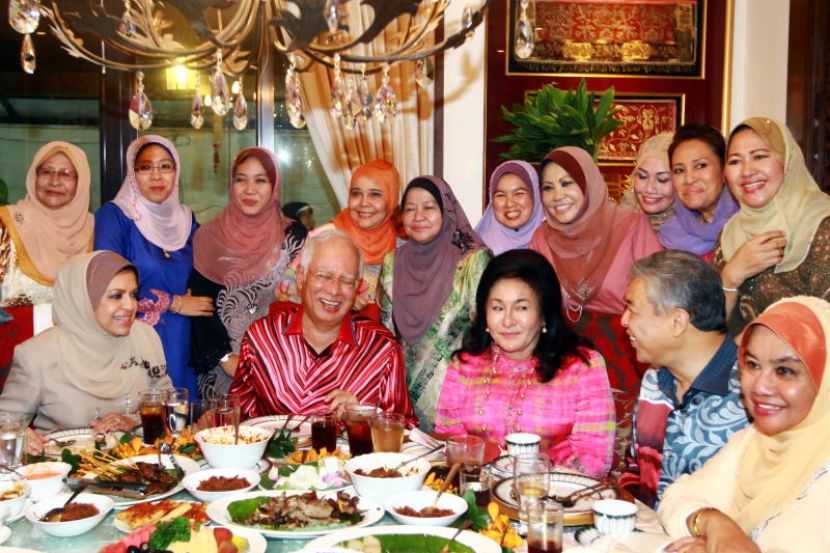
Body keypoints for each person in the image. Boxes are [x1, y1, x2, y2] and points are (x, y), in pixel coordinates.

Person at [659, 296, 830, 553]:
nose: (759, 386)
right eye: (752, 365)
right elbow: (677, 496)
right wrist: (716, 525)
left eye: (784, 370)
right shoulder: (754, 440)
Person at [528, 146, 662, 468]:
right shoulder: (542, 238)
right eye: (548, 187)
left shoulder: (631, 226)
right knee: (564, 465)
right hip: (565, 367)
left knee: (622, 467)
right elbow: (534, 304)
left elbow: (659, 298)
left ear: (589, 183)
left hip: (629, 363)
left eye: (567, 183)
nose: (557, 195)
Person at [435, 250, 615, 478]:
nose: (508, 321)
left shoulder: (582, 368)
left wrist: (535, 484)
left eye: (521, 307)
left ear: (544, 313)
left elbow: (594, 460)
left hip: (557, 494)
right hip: (478, 490)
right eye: (498, 308)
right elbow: (450, 441)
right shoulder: (465, 365)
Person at [229, 229, 416, 424]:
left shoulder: (382, 350)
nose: (334, 290)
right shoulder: (262, 337)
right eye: (323, 276)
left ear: (357, 287)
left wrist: (365, 419)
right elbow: (238, 415)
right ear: (300, 277)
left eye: (346, 280)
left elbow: (406, 427)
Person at [0, 251, 171, 455]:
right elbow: (5, 421)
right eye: (116, 296)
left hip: (139, 461)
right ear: (82, 299)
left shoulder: (144, 337)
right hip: (63, 467)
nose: (130, 305)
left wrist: (132, 420)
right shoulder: (36, 355)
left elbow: (167, 401)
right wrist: (19, 434)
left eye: (133, 294)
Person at [619, 250, 749, 508]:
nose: (623, 320)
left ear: (678, 321)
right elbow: (635, 469)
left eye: (632, 309)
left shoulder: (749, 392)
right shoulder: (655, 381)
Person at [95, 135, 212, 397]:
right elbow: (106, 282)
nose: (156, 176)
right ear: (132, 174)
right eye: (145, 167)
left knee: (182, 413)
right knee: (141, 414)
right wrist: (175, 303)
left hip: (182, 339)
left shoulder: (187, 220)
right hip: (134, 337)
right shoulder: (116, 216)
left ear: (176, 172)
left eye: (165, 166)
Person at [378, 176, 491, 430]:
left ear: (446, 212)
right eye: (410, 208)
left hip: (457, 403)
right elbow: (385, 336)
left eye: (428, 207)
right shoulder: (392, 263)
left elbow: (486, 338)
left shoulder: (472, 262)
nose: (418, 216)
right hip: (401, 403)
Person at [189, 147, 299, 401]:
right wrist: (225, 358)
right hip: (223, 373)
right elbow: (201, 307)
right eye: (241, 179)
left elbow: (305, 308)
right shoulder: (209, 238)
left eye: (260, 180)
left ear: (274, 186)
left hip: (282, 371)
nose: (249, 189)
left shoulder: (295, 238)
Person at [714, 117, 830, 335]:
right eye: (735, 161)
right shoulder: (729, 234)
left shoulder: (822, 227)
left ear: (787, 161)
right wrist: (730, 277)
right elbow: (710, 331)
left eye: (759, 156)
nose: (746, 171)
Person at [0, 141, 94, 389]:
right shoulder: (7, 223)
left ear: (81, 182)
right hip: (11, 362)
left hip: (79, 364)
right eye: (47, 171)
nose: (54, 181)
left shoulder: (96, 231)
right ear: (34, 176)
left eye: (66, 174)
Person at [660, 123, 739, 262]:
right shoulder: (671, 236)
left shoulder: (751, 227)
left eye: (700, 166)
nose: (689, 179)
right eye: (679, 170)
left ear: (724, 170)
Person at [474, 160, 544, 255]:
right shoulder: (480, 253)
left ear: (535, 196)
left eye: (519, 193)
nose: (509, 203)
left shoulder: (553, 244)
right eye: (501, 195)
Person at [620, 132, 676, 233]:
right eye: (642, 176)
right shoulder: (618, 226)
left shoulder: (697, 233)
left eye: (662, 179)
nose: (649, 188)